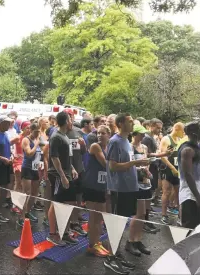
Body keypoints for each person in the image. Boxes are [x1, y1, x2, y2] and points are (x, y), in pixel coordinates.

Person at [105, 113, 150, 274]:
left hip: (129, 188)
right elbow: (112, 166)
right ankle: (111, 258)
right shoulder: (114, 141)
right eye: (130, 122)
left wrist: (140, 169)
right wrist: (135, 162)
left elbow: (128, 165)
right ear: (120, 123)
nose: (133, 124)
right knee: (116, 223)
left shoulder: (126, 142)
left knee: (122, 223)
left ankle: (116, 254)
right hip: (119, 189)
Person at [47, 111, 79, 247]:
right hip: (58, 175)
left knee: (68, 203)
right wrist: (62, 176)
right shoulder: (56, 137)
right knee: (57, 204)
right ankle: (53, 234)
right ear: (66, 121)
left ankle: (64, 232)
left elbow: (66, 156)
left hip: (67, 173)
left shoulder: (64, 135)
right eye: (70, 119)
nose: (72, 121)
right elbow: (54, 158)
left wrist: (72, 168)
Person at [83, 125, 112, 257]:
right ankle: (92, 245)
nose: (100, 135)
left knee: (100, 217)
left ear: (109, 135)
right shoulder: (95, 146)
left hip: (102, 186)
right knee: (94, 217)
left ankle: (97, 242)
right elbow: (106, 164)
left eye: (103, 133)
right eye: (98, 133)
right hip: (91, 185)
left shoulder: (108, 147)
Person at [132, 124, 159, 234]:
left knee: (145, 208)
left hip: (145, 180)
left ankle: (144, 224)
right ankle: (133, 238)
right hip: (136, 181)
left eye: (144, 133)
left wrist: (146, 170)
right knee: (139, 212)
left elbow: (146, 160)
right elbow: (130, 163)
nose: (143, 135)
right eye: (141, 134)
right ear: (135, 134)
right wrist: (141, 169)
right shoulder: (130, 146)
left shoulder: (144, 147)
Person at [158, 122, 185, 225]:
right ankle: (164, 215)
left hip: (178, 169)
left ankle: (180, 214)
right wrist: (172, 168)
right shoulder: (166, 139)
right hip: (167, 169)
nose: (183, 133)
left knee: (178, 192)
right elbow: (162, 156)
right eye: (182, 131)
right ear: (177, 129)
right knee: (166, 191)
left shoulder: (180, 140)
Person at [18, 122, 42, 227]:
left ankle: (27, 212)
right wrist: (36, 144)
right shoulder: (26, 140)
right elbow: (29, 153)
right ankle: (21, 217)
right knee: (26, 193)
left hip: (35, 168)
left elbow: (38, 154)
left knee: (34, 193)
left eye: (39, 131)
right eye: (36, 131)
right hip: (27, 168)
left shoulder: (37, 139)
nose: (38, 134)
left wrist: (40, 163)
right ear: (31, 130)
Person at [177, 121, 200, 229]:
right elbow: (188, 174)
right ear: (195, 133)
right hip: (190, 195)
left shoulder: (196, 147)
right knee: (189, 229)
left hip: (197, 192)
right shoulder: (187, 150)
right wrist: (197, 197)